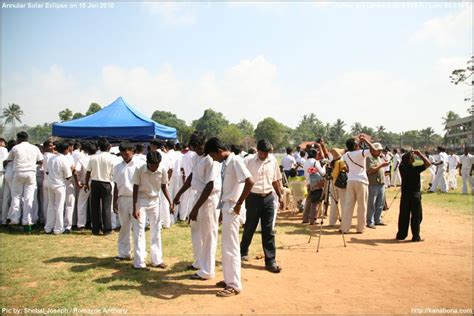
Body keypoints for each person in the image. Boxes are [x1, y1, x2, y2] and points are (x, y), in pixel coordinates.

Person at [205, 137, 254, 297]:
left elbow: (250, 182)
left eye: (213, 156)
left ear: (219, 151)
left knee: (231, 247)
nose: (213, 159)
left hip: (233, 207)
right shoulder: (226, 163)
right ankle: (228, 279)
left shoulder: (235, 162)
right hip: (227, 206)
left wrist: (239, 203)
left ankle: (234, 285)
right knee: (226, 247)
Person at [241, 139, 283, 274]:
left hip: (268, 198)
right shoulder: (248, 161)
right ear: (257, 150)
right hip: (253, 198)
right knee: (250, 227)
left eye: (266, 153)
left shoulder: (273, 161)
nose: (264, 155)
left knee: (268, 230)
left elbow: (276, 179)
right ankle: (243, 251)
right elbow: (242, 181)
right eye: (261, 153)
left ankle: (270, 261)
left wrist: (280, 195)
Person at [132, 151, 174, 269]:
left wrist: (170, 201)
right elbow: (135, 188)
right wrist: (135, 206)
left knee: (156, 230)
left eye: (157, 165)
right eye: (152, 166)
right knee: (139, 231)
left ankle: (157, 260)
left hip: (155, 201)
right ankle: (139, 263)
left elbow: (164, 186)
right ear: (147, 163)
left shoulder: (162, 170)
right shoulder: (140, 169)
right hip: (141, 200)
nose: (154, 168)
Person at [340, 135, 377, 234]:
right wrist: (365, 140)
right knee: (362, 206)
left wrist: (359, 143)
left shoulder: (346, 155)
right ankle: (360, 228)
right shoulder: (360, 153)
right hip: (361, 181)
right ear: (356, 145)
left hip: (350, 180)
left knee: (348, 205)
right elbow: (374, 150)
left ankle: (344, 228)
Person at [6, 131, 43, 230]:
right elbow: (41, 161)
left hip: (18, 172)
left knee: (16, 196)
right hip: (31, 173)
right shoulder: (34, 148)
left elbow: (8, 159)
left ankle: (15, 219)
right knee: (29, 197)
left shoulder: (15, 148)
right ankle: (27, 220)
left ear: (19, 139)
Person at [113, 141, 143, 261]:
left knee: (138, 228)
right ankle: (124, 253)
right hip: (122, 199)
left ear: (133, 151)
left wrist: (138, 203)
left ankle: (139, 254)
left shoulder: (139, 165)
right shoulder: (117, 167)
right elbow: (116, 184)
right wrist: (114, 200)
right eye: (123, 151)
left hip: (135, 199)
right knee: (124, 227)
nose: (126, 153)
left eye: (128, 151)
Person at [396, 150, 431, 242]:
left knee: (404, 215)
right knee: (416, 216)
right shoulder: (415, 169)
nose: (414, 158)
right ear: (409, 160)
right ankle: (415, 236)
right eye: (412, 157)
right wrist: (420, 154)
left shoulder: (402, 168)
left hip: (405, 195)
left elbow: (403, 160)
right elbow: (428, 163)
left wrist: (409, 153)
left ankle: (401, 235)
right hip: (415, 195)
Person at [84, 137, 116, 235]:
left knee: (95, 207)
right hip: (106, 182)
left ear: (98, 147)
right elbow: (114, 172)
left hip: (94, 182)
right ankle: (107, 229)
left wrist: (86, 183)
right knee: (106, 207)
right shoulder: (112, 158)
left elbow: (88, 172)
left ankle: (96, 228)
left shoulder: (93, 157)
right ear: (109, 147)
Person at [44, 141, 72, 235]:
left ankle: (48, 227)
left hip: (51, 184)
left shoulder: (51, 158)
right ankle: (58, 228)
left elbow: (47, 172)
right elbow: (68, 176)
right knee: (59, 206)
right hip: (59, 185)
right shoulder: (63, 159)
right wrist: (71, 170)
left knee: (51, 205)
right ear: (65, 149)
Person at [366, 143, 389, 228]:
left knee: (380, 203)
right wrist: (382, 165)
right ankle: (370, 221)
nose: (380, 152)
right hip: (373, 183)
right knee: (371, 203)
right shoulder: (369, 158)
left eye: (380, 150)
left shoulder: (378, 158)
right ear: (372, 150)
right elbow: (370, 170)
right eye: (378, 150)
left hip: (381, 183)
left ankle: (377, 220)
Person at [74, 142, 94, 230]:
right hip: (96, 182)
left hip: (85, 183)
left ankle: (81, 224)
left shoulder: (82, 159)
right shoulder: (96, 159)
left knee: (82, 203)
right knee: (97, 204)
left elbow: (76, 170)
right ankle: (96, 223)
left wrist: (77, 181)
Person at [328, 148, 346, 226]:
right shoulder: (341, 162)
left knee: (333, 204)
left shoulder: (331, 163)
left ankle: (332, 222)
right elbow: (346, 169)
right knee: (343, 203)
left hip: (333, 183)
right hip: (341, 184)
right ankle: (344, 221)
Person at [1, 140, 17, 225]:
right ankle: (11, 218)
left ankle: (3, 219)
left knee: (6, 197)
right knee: (15, 197)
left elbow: (5, 162)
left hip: (7, 173)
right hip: (12, 175)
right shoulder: (14, 151)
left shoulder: (9, 151)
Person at [0, 138, 9, 224]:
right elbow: (6, 160)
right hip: (1, 173)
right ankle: (3, 219)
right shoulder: (3, 149)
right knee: (3, 197)